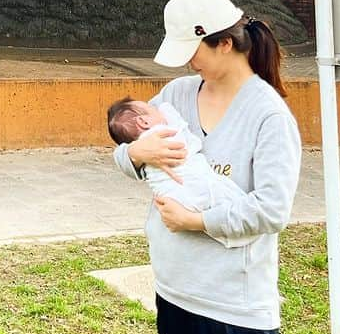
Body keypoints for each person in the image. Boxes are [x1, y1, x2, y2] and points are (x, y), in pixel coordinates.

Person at [112, 0, 302, 334]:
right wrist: (131, 154)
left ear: (222, 42)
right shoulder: (175, 94)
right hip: (177, 297)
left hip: (235, 312)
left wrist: (198, 222)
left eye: (191, 50)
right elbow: (131, 152)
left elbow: (271, 210)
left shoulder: (268, 116)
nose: (186, 64)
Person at [106, 98, 254, 243]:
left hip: (175, 197)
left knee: (221, 206)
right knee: (228, 201)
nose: (157, 108)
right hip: (190, 188)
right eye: (153, 109)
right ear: (143, 122)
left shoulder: (261, 104)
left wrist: (191, 220)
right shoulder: (162, 130)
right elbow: (122, 154)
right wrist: (135, 152)